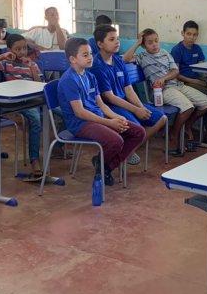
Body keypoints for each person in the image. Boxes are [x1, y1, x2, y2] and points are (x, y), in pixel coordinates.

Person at [57, 38, 145, 186]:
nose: (90, 57)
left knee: (138, 132)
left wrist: (118, 118)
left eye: (91, 53)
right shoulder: (69, 80)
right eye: (85, 55)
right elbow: (79, 113)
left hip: (98, 117)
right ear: (72, 59)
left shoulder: (90, 76)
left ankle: (105, 167)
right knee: (116, 140)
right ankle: (103, 169)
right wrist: (109, 122)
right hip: (81, 123)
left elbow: (102, 105)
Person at [125, 28, 207, 155]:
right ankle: (174, 135)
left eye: (156, 41)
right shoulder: (142, 57)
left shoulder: (165, 53)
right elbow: (125, 59)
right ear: (143, 45)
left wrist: (164, 78)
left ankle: (187, 125)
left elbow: (176, 71)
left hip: (177, 85)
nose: (154, 44)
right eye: (150, 42)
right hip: (161, 91)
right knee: (187, 107)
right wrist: (137, 43)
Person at [90, 24, 166, 166]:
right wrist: (136, 110)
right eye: (112, 39)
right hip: (110, 106)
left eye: (117, 38)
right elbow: (109, 97)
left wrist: (140, 107)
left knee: (161, 118)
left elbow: (129, 89)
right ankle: (121, 154)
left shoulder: (118, 60)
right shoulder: (97, 65)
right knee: (137, 128)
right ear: (100, 44)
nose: (117, 42)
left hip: (125, 102)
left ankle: (127, 150)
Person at [0, 34, 44, 177]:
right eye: (17, 49)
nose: (22, 52)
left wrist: (31, 67)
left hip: (34, 99)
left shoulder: (32, 64)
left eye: (24, 48)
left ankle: (57, 147)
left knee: (62, 110)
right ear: (9, 50)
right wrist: (2, 56)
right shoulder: (6, 64)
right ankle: (34, 159)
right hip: (18, 102)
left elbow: (40, 85)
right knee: (36, 120)